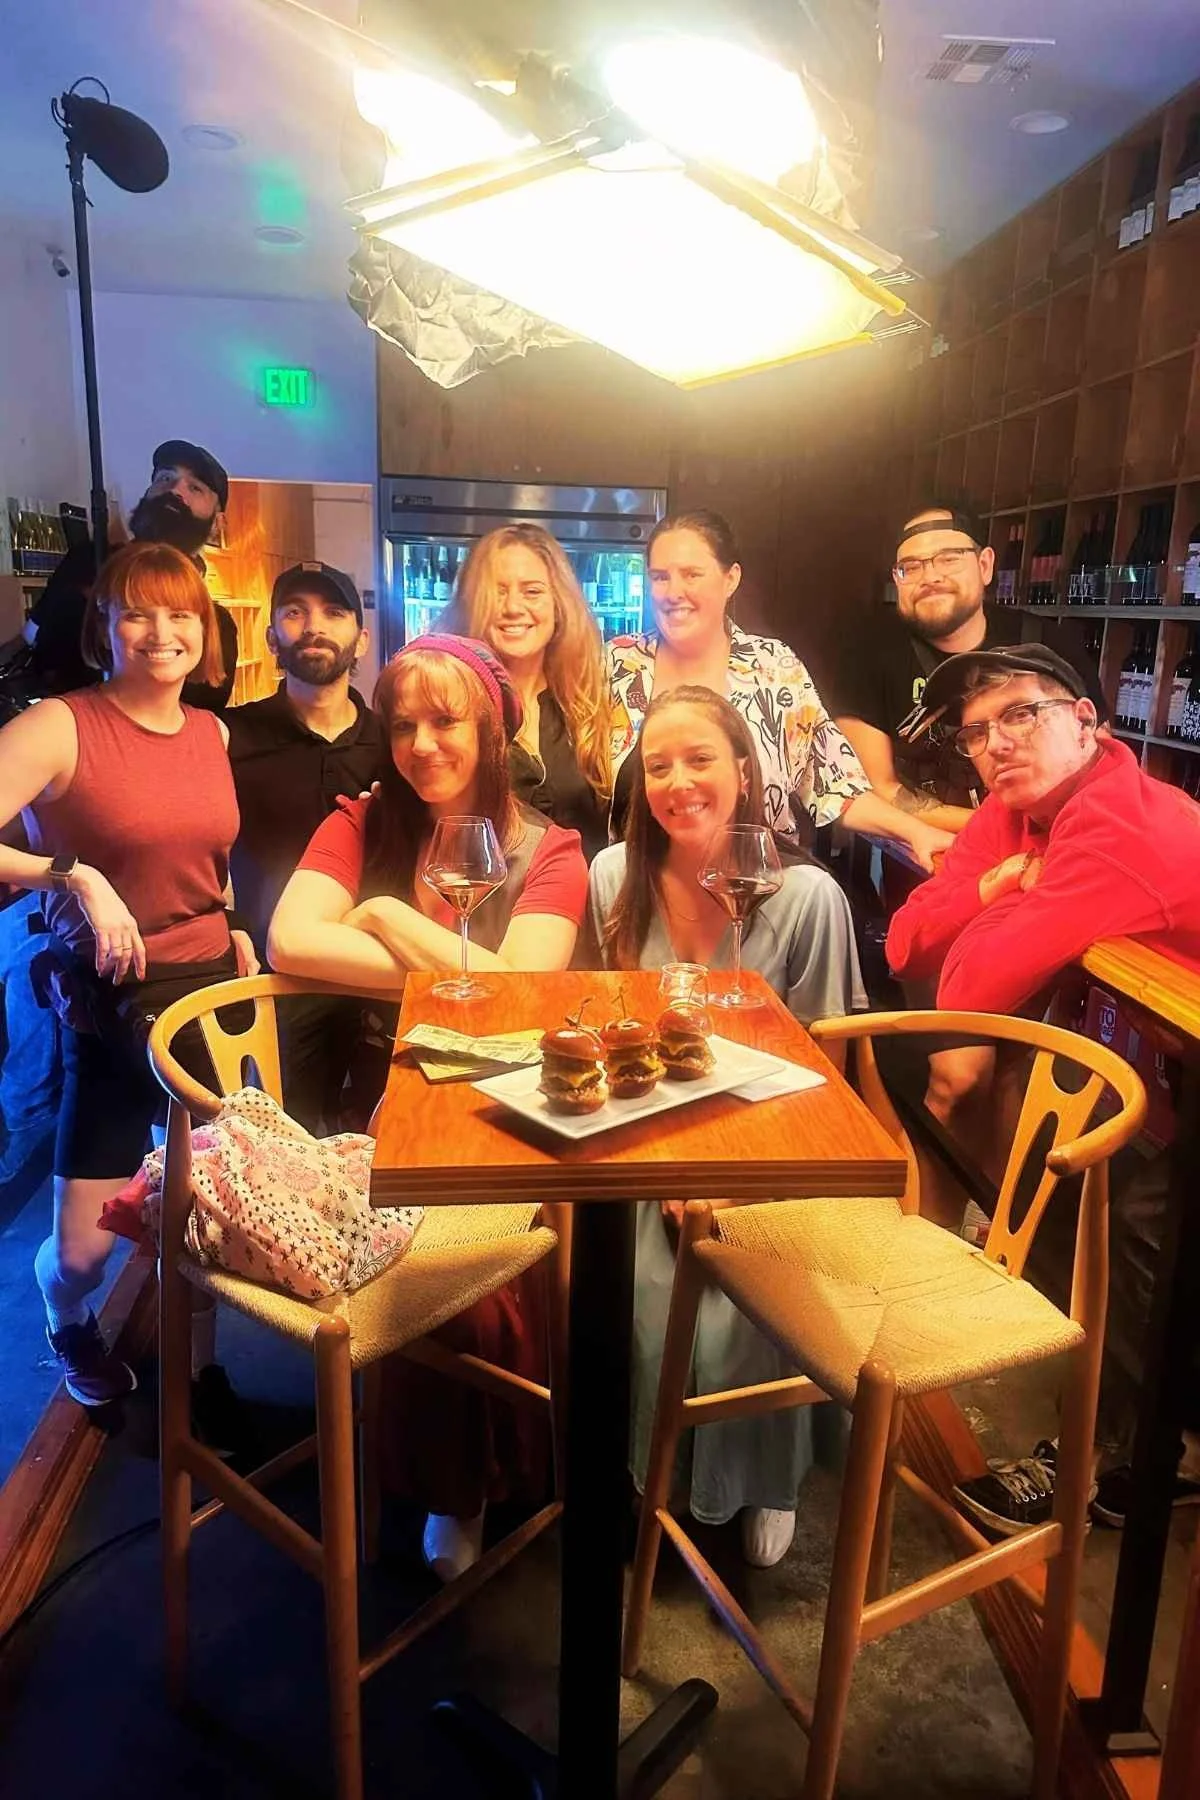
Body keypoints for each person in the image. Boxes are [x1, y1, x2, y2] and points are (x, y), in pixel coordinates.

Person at [268, 632, 588, 1580]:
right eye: (403, 723)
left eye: (446, 720)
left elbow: (523, 995)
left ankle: (508, 1461)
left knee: (493, 1272)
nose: (420, 744)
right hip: (390, 1099)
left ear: (493, 729)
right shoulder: (361, 820)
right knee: (435, 1263)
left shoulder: (552, 846)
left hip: (518, 1099)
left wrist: (382, 916)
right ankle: (452, 1482)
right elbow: (291, 939)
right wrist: (451, 973)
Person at [886, 643, 1200, 1533]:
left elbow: (971, 980)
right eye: (977, 732)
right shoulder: (1016, 813)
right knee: (985, 1093)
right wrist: (998, 881)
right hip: (1151, 1058)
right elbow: (909, 947)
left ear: (1087, 723)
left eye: (1022, 715)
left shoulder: (1120, 825)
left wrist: (1002, 905)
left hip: (1182, 1068)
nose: (996, 745)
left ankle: (1123, 1466)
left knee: (1141, 1211)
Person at [590, 686, 867, 1568]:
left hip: (774, 1150)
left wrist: (735, 1177)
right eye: (658, 765)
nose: (678, 782)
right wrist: (667, 1168)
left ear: (744, 775)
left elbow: (824, 1083)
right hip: (646, 1144)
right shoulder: (611, 879)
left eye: (699, 759)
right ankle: (650, 1479)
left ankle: (760, 1476)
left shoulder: (810, 897)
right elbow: (604, 1039)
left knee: (739, 1297)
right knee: (639, 1288)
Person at [0, 542, 257, 1406]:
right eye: (138, 611)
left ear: (205, 629)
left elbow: (212, 861)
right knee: (83, 1252)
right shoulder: (61, 725)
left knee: (207, 1216)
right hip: (109, 1008)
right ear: (104, 625)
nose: (161, 632)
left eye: (181, 613)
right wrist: (73, 874)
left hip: (212, 995)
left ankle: (200, 1376)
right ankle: (64, 1318)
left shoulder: (213, 732)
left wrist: (239, 927)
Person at [606, 509, 953, 871]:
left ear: (731, 578)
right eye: (660, 577)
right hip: (638, 895)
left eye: (692, 574)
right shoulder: (618, 664)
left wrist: (914, 831)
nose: (673, 592)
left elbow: (835, 785)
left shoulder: (773, 667)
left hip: (755, 891)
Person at [831, 500, 1107, 839]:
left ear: (985, 564)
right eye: (911, 567)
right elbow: (880, 787)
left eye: (948, 558)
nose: (930, 577)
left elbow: (1100, 763)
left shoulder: (1048, 645)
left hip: (1059, 841)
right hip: (932, 850)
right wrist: (1004, 833)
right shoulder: (868, 653)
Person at [225, 561, 383, 1131]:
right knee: (285, 1144)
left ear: (361, 638)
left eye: (334, 613)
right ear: (270, 638)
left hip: (378, 981)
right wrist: (227, 918)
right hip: (277, 983)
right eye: (295, 613)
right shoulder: (230, 736)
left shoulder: (393, 742)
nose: (314, 626)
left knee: (384, 1146)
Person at [28, 439, 239, 710]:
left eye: (194, 487)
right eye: (165, 478)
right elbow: (32, 639)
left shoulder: (217, 627)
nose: (175, 490)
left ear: (217, 523)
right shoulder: (86, 563)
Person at [444, 522, 612, 861]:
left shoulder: (590, 699)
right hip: (486, 908)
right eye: (498, 591)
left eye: (532, 591)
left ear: (558, 604)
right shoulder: (448, 705)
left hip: (586, 908)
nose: (513, 607)